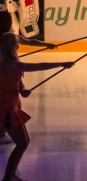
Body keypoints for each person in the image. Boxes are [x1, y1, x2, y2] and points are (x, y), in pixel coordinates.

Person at [0, 33, 74, 181]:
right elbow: (38, 67)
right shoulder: (11, 64)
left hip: (10, 107)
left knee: (24, 142)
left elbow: (17, 80)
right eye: (16, 44)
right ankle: (8, 177)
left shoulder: (11, 63)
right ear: (11, 47)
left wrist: (22, 90)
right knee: (23, 143)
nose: (19, 46)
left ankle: (10, 176)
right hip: (6, 109)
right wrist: (61, 64)